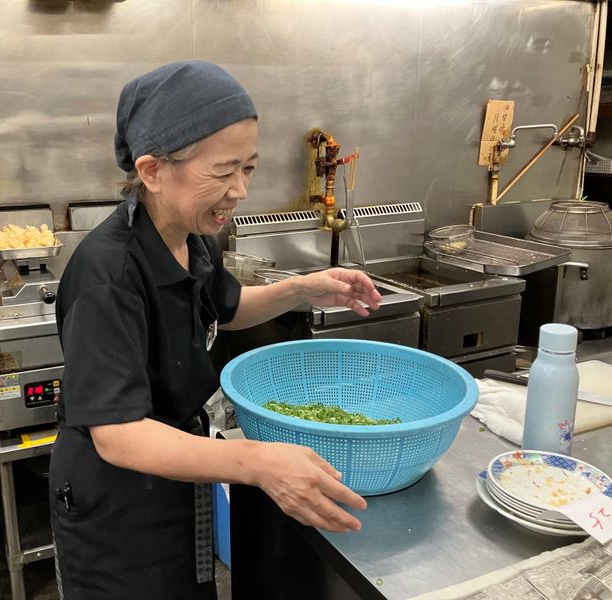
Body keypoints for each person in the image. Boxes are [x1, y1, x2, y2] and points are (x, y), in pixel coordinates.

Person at [49, 60, 383, 600]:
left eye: (248, 168)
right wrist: (258, 462)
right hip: (116, 506)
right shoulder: (108, 275)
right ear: (153, 171)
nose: (241, 190)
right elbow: (119, 436)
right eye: (224, 171)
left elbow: (225, 309)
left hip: (177, 475)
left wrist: (303, 288)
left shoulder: (192, 234)